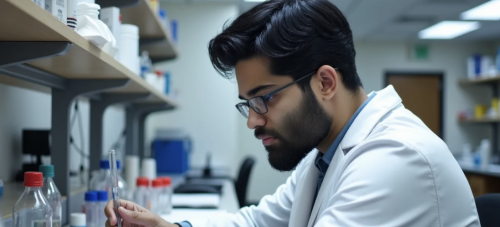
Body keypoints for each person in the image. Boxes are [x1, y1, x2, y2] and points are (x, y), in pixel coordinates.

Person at [105, 0, 481, 226]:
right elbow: (258, 221)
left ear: (326, 83)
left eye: (264, 98)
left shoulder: (397, 159)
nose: (253, 119)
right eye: (247, 104)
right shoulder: (325, 153)